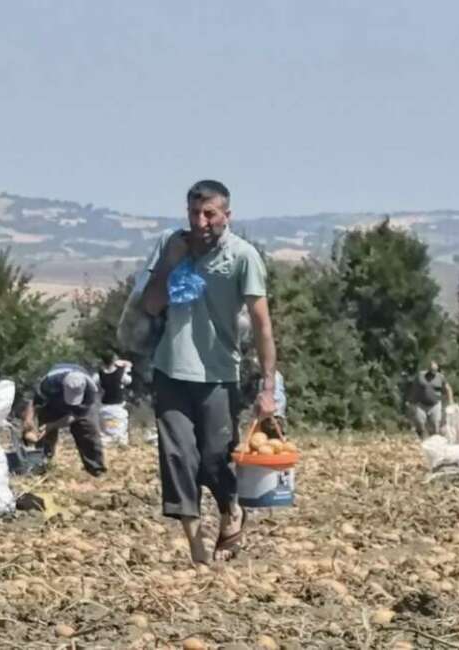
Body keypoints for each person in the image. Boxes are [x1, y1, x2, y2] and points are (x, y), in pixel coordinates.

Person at [141, 179, 277, 565]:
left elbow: (262, 324)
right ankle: (196, 546)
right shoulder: (172, 246)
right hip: (171, 369)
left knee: (215, 457)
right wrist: (170, 263)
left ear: (226, 216)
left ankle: (231, 509)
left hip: (218, 374)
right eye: (193, 213)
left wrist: (268, 388)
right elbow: (151, 305)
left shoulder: (242, 257)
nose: (200, 222)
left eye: (209, 214)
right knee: (177, 458)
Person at [20, 363, 106, 476]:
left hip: (79, 409)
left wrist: (52, 425)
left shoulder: (90, 390)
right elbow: (34, 401)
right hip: (54, 400)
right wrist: (28, 421)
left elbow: (77, 416)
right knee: (43, 433)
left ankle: (96, 469)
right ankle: (42, 464)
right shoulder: (50, 382)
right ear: (63, 384)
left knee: (88, 430)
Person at [409, 360, 453, 438]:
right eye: (431, 370)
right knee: (420, 423)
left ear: (437, 370)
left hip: (435, 405)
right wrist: (412, 401)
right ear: (428, 369)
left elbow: (448, 389)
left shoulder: (440, 377)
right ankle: (421, 439)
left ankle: (434, 441)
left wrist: (451, 402)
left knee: (435, 425)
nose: (433, 373)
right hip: (421, 404)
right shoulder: (420, 375)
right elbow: (414, 388)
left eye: (434, 371)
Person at [97, 352, 133, 446]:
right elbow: (129, 380)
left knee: (107, 428)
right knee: (120, 427)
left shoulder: (99, 374)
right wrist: (125, 367)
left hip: (104, 406)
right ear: (114, 360)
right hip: (118, 405)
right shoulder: (121, 373)